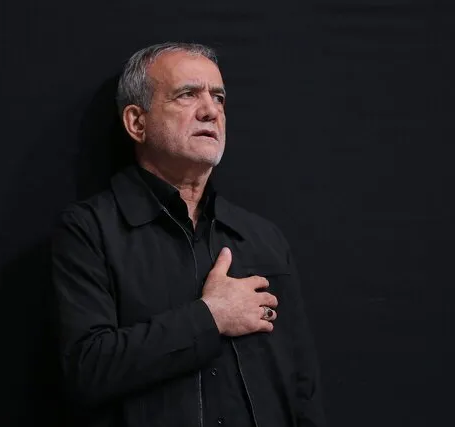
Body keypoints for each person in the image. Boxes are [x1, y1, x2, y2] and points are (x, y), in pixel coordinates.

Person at [52, 42, 325, 427]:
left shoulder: (263, 237)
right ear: (136, 123)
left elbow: (302, 387)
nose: (211, 110)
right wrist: (211, 317)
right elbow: (88, 369)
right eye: (187, 95)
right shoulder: (88, 230)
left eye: (219, 97)